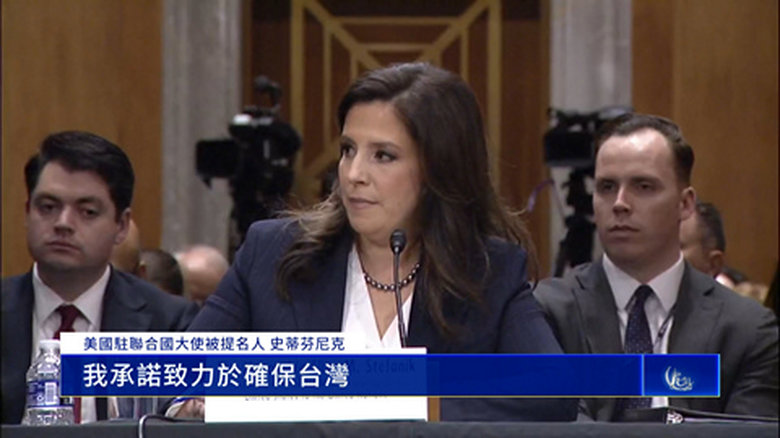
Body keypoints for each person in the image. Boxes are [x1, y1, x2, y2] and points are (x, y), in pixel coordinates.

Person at [178, 62, 576, 421]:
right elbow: (180, 374)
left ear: (439, 169)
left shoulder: (489, 271)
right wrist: (198, 402)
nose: (353, 174)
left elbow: (554, 393)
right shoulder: (273, 252)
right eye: (348, 150)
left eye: (383, 156)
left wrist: (406, 400)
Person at [533, 113, 779, 420]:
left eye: (643, 186)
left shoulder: (746, 330)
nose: (620, 203)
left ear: (685, 204)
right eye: (607, 187)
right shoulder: (546, 314)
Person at [1, 131, 200, 424]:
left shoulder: (170, 323)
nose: (63, 223)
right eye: (48, 207)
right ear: (27, 212)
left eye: (87, 212)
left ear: (121, 226)